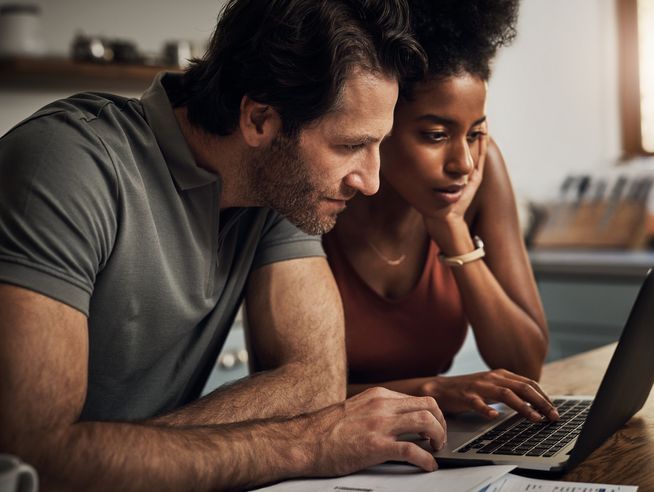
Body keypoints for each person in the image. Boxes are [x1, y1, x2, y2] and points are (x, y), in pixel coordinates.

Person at [0, 1, 449, 490]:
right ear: (259, 120)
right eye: (348, 146)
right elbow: (33, 464)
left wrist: (112, 457)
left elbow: (314, 386)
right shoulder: (67, 165)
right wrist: (307, 444)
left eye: (377, 144)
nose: (371, 182)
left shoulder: (282, 188)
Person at [324, 0, 559, 423]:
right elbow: (287, 395)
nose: (464, 163)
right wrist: (430, 390)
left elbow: (526, 366)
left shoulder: (481, 174)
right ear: (378, 124)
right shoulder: (322, 191)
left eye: (476, 133)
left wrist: (452, 231)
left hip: (435, 444)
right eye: (435, 135)